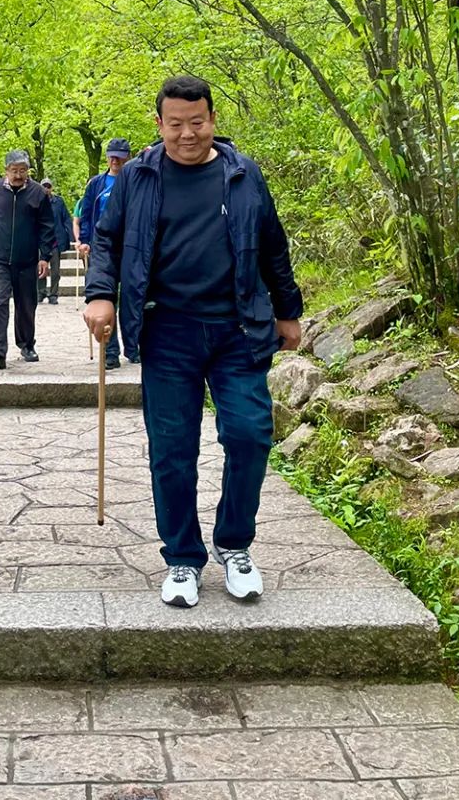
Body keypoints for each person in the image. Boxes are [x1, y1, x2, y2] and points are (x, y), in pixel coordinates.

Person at [84, 75, 302, 611]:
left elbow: (272, 242)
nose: (188, 133)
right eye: (176, 124)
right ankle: (182, 556)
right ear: (159, 125)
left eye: (197, 122)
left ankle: (234, 543)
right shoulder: (138, 177)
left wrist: (288, 310)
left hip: (238, 328)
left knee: (251, 434)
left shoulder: (243, 174)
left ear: (213, 121)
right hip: (167, 330)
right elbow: (108, 239)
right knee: (173, 450)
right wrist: (99, 294)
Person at [0, 149, 54, 369]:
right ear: (6, 170)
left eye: (23, 170)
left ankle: (27, 344)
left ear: (28, 171)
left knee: (27, 304)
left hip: (27, 260)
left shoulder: (38, 193)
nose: (18, 175)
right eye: (14, 170)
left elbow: (47, 226)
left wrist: (44, 257)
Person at [78, 137, 136, 367]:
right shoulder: (96, 184)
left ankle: (134, 347)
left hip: (131, 247)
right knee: (105, 298)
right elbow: (86, 211)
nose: (115, 160)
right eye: (112, 155)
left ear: (128, 157)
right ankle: (110, 352)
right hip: (102, 248)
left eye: (120, 156)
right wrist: (84, 239)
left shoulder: (136, 180)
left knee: (132, 298)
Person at [37, 177, 74, 304]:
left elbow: (66, 219)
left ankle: (53, 294)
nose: (46, 188)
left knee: (55, 270)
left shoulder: (59, 202)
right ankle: (40, 292)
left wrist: (71, 237)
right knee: (40, 269)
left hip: (55, 241)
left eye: (48, 186)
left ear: (51, 187)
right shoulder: (36, 201)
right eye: (44, 186)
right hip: (41, 241)